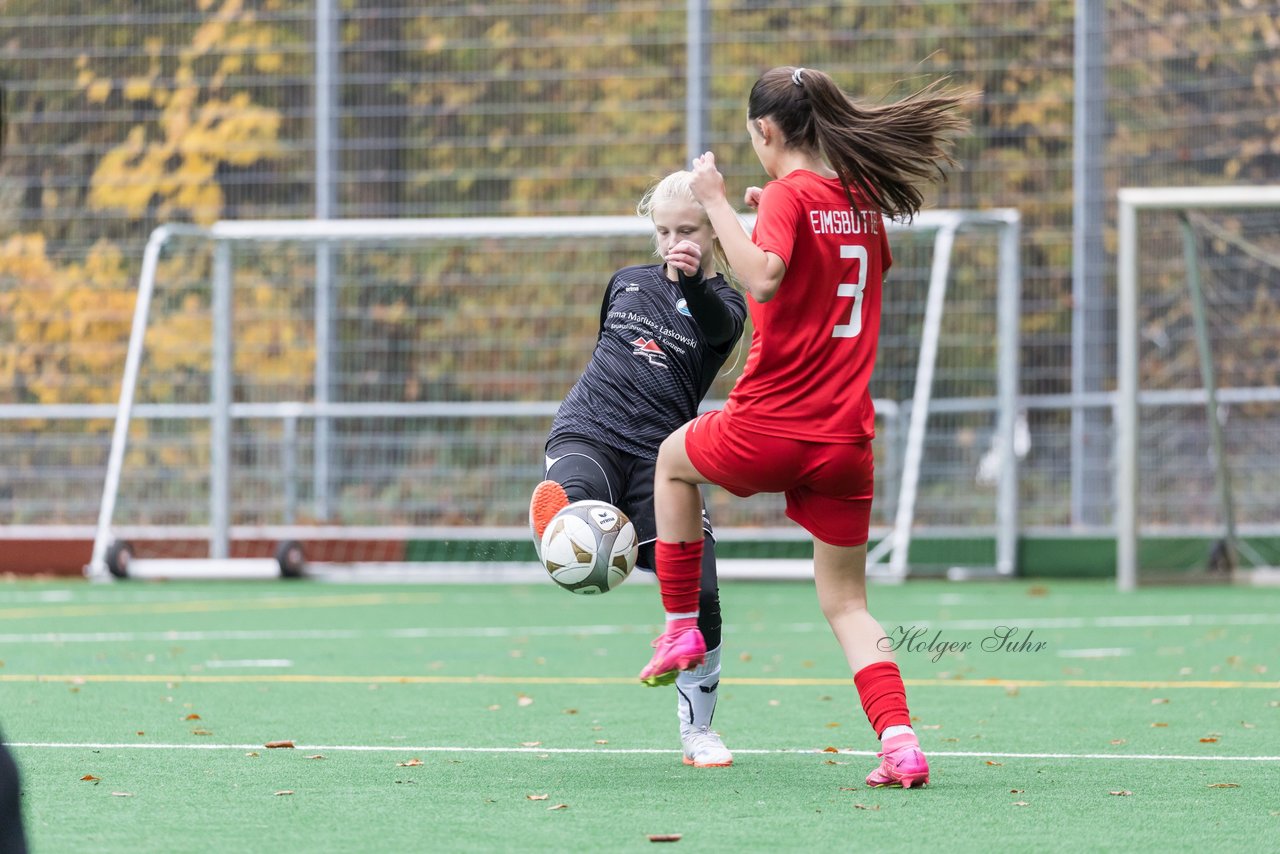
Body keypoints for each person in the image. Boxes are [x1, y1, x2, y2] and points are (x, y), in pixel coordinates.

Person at [637, 66, 973, 789]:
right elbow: (826, 275)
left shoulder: (791, 194)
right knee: (848, 604)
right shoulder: (860, 198)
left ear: (766, 130)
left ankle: (680, 625)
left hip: (773, 424)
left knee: (670, 461)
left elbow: (762, 279)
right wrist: (763, 220)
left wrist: (716, 201)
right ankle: (901, 744)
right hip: (846, 439)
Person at [529, 170, 748, 768]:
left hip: (664, 459)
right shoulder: (626, 281)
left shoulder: (728, 303)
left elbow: (716, 326)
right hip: (590, 428)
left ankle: (698, 731)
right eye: (665, 231)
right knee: (577, 499)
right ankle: (559, 519)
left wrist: (695, 280)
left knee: (703, 593)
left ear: (714, 232)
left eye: (689, 230)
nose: (675, 241)